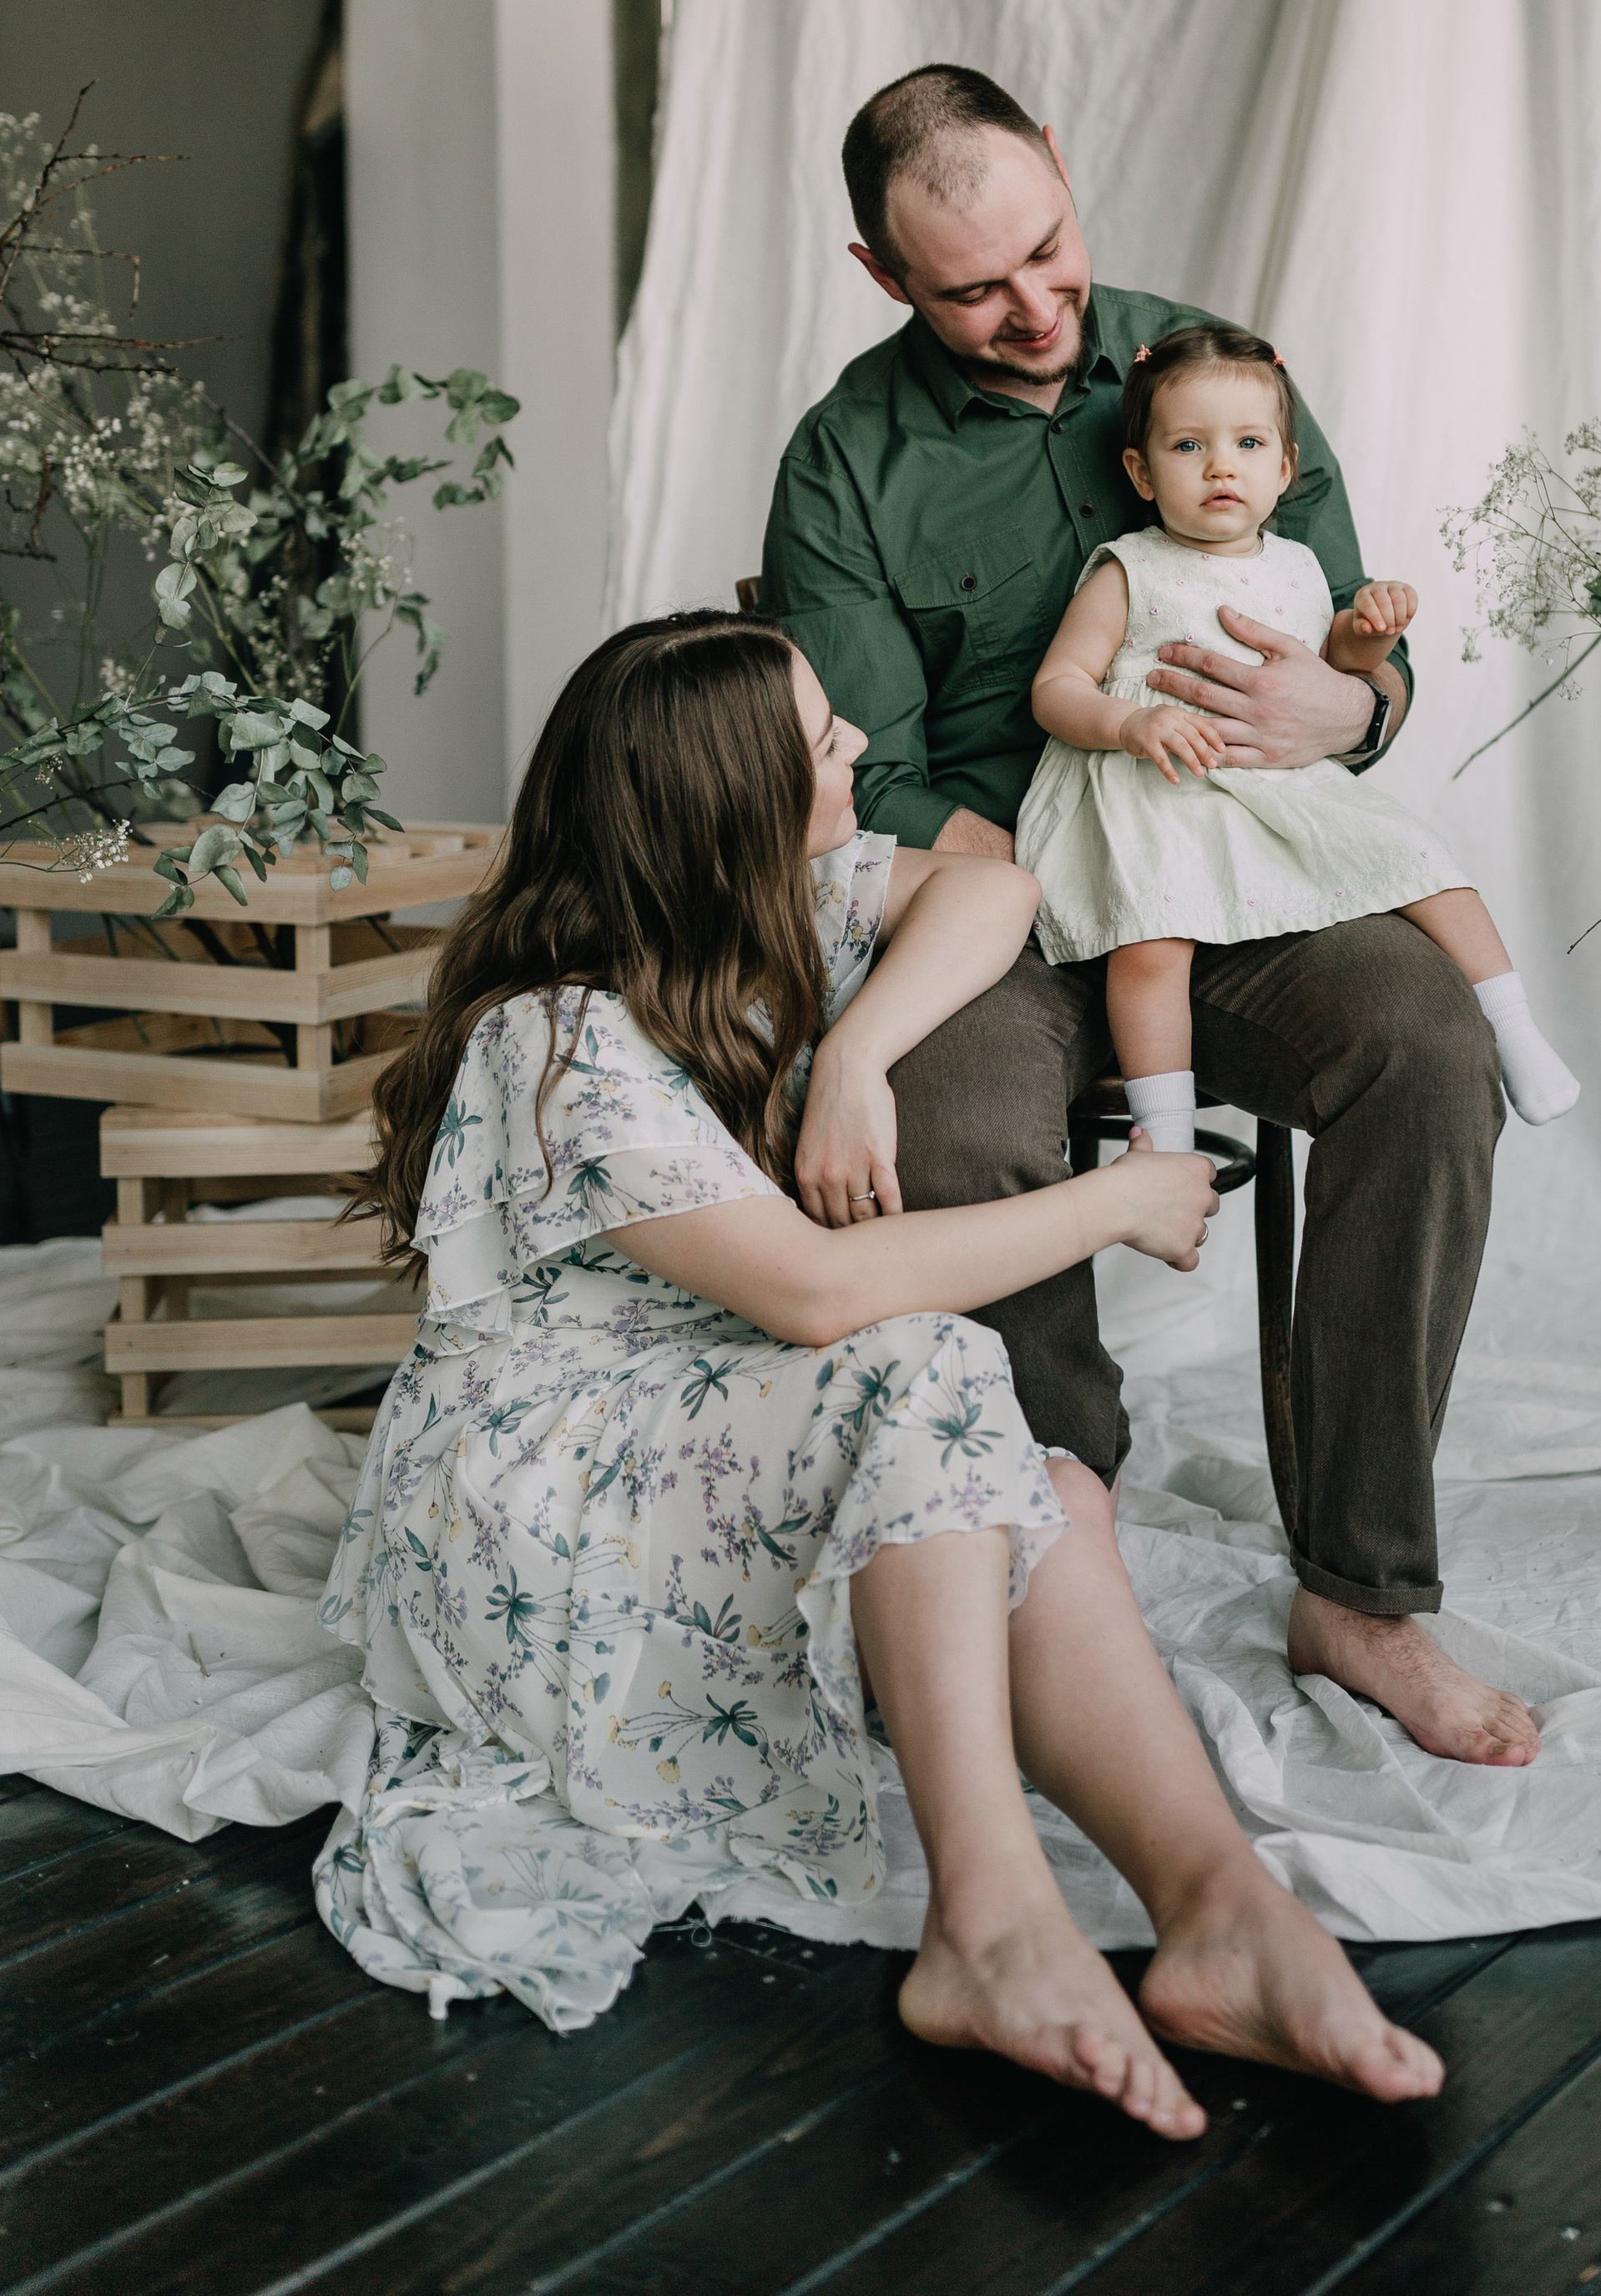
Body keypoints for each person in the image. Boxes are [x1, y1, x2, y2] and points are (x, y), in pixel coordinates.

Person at [321, 610, 1444, 2132]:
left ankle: (1223, 1909)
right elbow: (816, 1291)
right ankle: (986, 1927)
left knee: (1054, 1496)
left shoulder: (788, 906)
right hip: (544, 1481)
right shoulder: (561, 1038)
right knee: (920, 1361)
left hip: (709, 1414)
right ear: (729, 813)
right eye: (820, 741)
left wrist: (859, 1057)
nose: (856, 747)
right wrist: (1116, 1200)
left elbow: (997, 885)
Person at [758, 63, 1543, 1769]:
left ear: (1058, 169)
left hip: (1239, 865)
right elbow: (868, 771)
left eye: (1048, 250)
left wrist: (1358, 710)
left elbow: (1344, 639)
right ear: (883, 276)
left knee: (1422, 1044)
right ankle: (1050, 1552)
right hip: (1003, 899)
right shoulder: (843, 461)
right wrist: (1029, 880)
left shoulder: (1216, 365)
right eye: (972, 289)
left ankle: (1359, 1588)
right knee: (949, 1122)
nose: (1036, 310)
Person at [1017, 320, 1581, 1143]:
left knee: (1423, 865)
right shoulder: (1126, 569)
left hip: (1276, 785)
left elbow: (1334, 661)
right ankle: (1165, 1132)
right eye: (1186, 446)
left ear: (1283, 468)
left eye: (1247, 443)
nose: (1219, 466)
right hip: (1162, 792)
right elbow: (1055, 688)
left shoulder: (1299, 566)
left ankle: (1517, 1032)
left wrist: (1371, 634)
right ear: (1139, 471)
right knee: (1150, 943)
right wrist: (1130, 720)